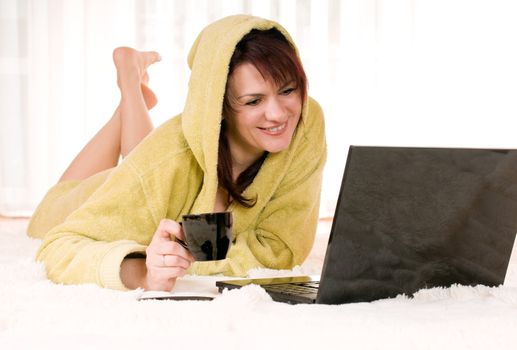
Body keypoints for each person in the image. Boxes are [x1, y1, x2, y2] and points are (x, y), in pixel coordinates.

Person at [27, 14, 326, 292]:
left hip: (146, 173)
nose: (277, 114)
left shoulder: (305, 121)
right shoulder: (161, 165)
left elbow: (281, 248)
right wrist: (143, 273)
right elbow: (57, 247)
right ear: (218, 106)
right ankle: (130, 84)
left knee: (147, 163)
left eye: (288, 90)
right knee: (147, 166)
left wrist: (194, 263)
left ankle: (130, 90)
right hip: (73, 204)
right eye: (253, 101)